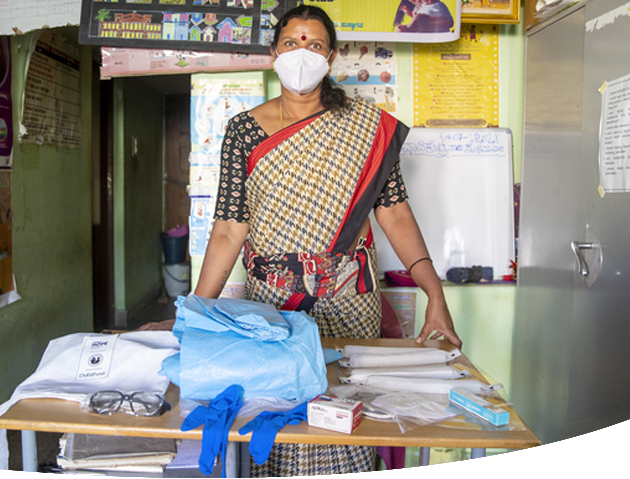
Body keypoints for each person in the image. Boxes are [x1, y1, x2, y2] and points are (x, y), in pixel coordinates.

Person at [140, 5, 460, 477]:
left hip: (351, 305)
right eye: (291, 43)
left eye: (314, 45)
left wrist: (435, 293)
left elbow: (394, 211)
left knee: (344, 422)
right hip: (273, 312)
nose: (302, 54)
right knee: (277, 424)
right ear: (274, 54)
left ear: (331, 57)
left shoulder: (367, 128)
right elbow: (230, 227)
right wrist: (196, 318)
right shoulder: (245, 131)